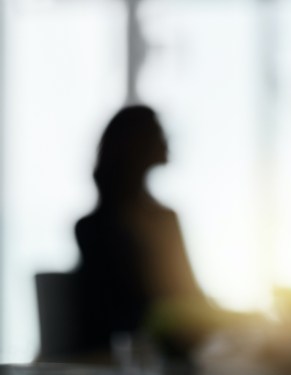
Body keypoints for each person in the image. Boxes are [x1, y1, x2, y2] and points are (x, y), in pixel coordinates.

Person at [74, 105, 211, 360]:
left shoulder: (166, 219)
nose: (166, 140)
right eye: (159, 133)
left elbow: (190, 295)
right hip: (123, 358)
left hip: (176, 352)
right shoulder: (93, 229)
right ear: (135, 145)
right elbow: (113, 314)